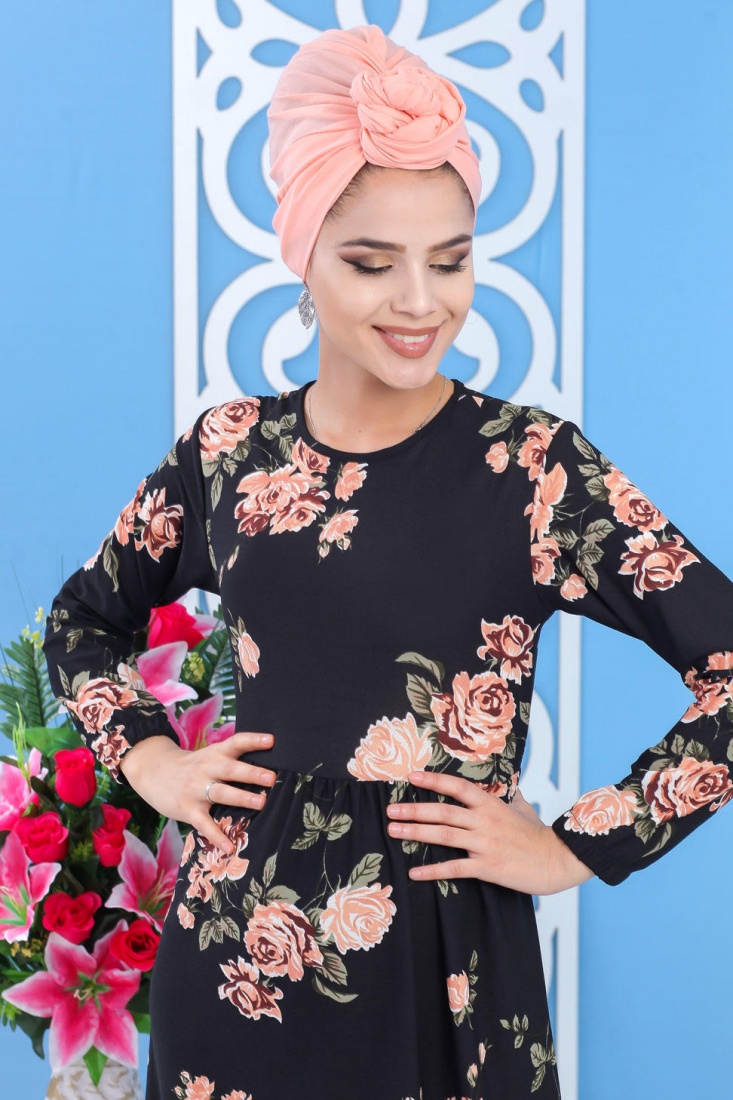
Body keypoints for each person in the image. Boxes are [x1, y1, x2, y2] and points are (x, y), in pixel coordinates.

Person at [42, 24, 733, 1100]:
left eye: (450, 260)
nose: (421, 301)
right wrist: (150, 760)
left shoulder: (533, 467)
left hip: (447, 975)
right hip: (229, 972)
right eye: (372, 262)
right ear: (303, 256)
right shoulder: (228, 453)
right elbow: (81, 621)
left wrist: (577, 846)